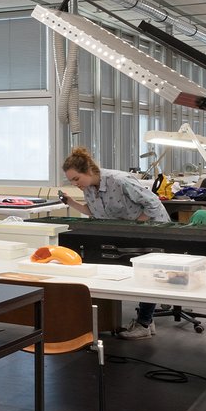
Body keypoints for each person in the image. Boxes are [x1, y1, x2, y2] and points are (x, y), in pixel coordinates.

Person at [60, 145, 169, 340]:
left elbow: (153, 204)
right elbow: (92, 212)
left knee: (145, 274)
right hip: (124, 232)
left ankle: (144, 322)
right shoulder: (89, 189)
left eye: (77, 178)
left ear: (88, 170)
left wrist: (135, 226)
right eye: (71, 181)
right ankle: (146, 319)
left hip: (151, 228)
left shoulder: (119, 181)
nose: (75, 184)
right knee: (126, 272)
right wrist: (70, 202)